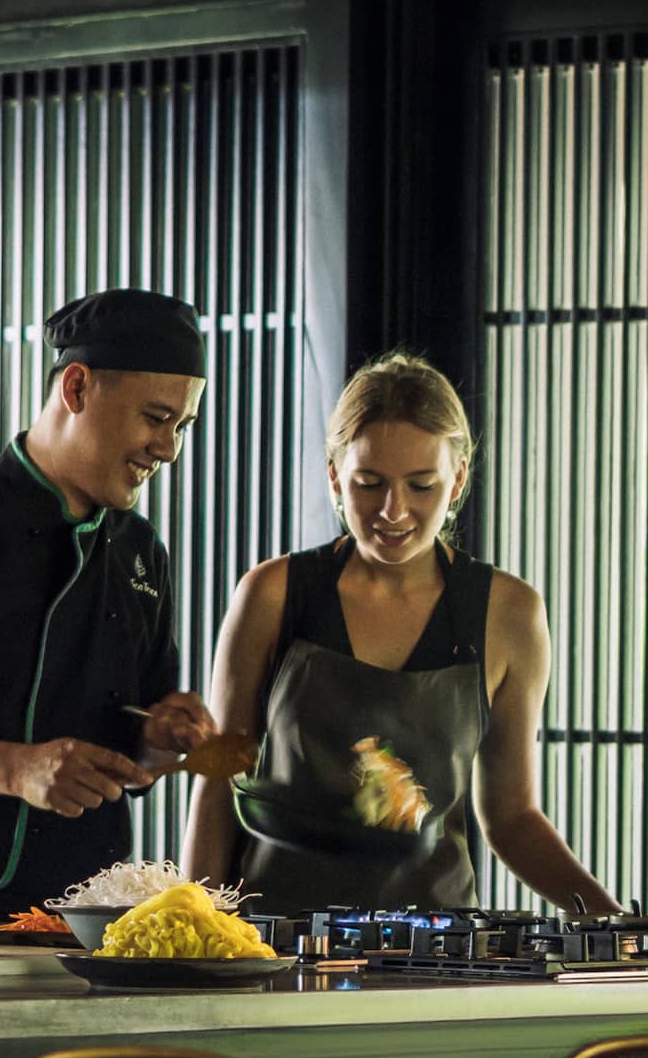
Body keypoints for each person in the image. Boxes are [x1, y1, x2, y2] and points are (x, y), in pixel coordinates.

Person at [179, 350, 621, 915]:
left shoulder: (508, 614)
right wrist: (195, 936)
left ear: (458, 479)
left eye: (421, 485)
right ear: (335, 476)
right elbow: (219, 783)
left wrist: (617, 925)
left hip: (440, 949)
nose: (393, 511)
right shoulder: (273, 593)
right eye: (369, 484)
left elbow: (512, 818)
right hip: (275, 941)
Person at [0, 288, 216, 921]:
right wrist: (17, 769)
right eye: (155, 418)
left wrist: (158, 741)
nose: (169, 449)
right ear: (76, 388)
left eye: (182, 426)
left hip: (84, 918)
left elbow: (136, 753)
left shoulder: (142, 553)